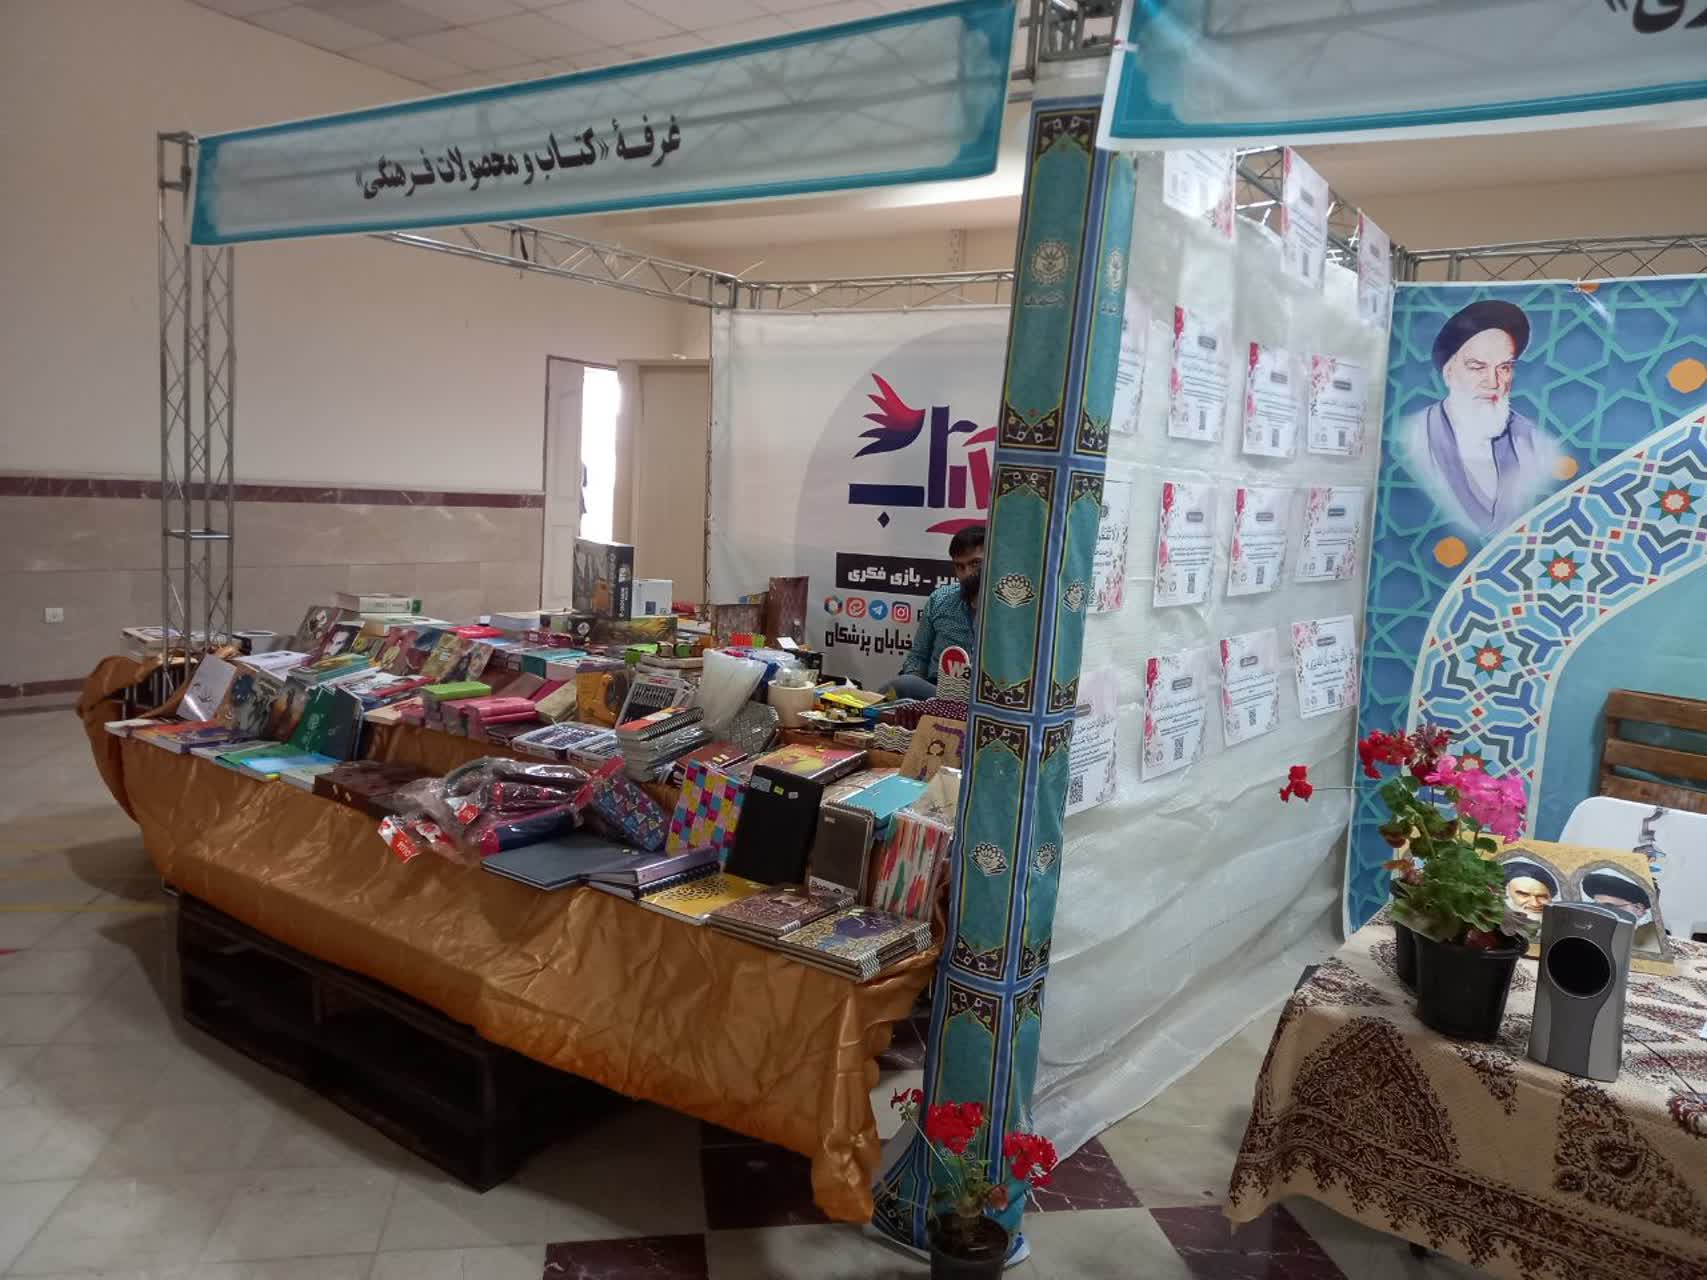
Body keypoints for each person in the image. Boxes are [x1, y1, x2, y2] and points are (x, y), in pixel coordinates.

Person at [1401, 300, 1564, 537]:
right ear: (1449, 372)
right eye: (1477, 367)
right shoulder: (1410, 436)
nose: (1493, 382)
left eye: (1504, 368)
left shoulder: (1537, 443)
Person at [886, 524, 983, 700]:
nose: (967, 573)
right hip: (936, 692)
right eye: (959, 566)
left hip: (982, 698)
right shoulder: (940, 599)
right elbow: (918, 656)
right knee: (902, 685)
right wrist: (911, 699)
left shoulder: (1008, 610)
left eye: (975, 563)